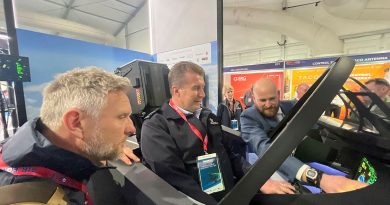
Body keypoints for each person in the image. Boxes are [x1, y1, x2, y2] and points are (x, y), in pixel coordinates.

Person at [141, 61, 295, 205]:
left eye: (203, 87)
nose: (203, 94)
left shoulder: (208, 117)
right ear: (176, 91)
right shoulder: (156, 126)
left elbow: (231, 155)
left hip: (233, 195)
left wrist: (260, 181)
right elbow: (174, 180)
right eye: (196, 88)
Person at [0, 67, 140, 204]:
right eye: (122, 117)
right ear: (76, 123)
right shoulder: (31, 198)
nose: (132, 129)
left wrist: (106, 146)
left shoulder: (18, 150)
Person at [240, 78, 368, 193]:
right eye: (262, 100)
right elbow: (264, 148)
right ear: (253, 97)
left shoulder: (291, 106)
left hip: (303, 153)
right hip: (277, 170)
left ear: (278, 94)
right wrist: (318, 178)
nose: (268, 105)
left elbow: (315, 126)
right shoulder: (248, 117)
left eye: (272, 99)